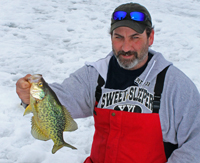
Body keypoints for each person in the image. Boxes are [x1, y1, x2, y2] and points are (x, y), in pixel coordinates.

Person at [16, 2, 200, 163]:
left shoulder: (175, 84)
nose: (126, 47)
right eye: (118, 37)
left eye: (135, 37)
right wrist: (30, 96)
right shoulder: (95, 74)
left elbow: (196, 143)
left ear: (150, 37)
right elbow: (62, 100)